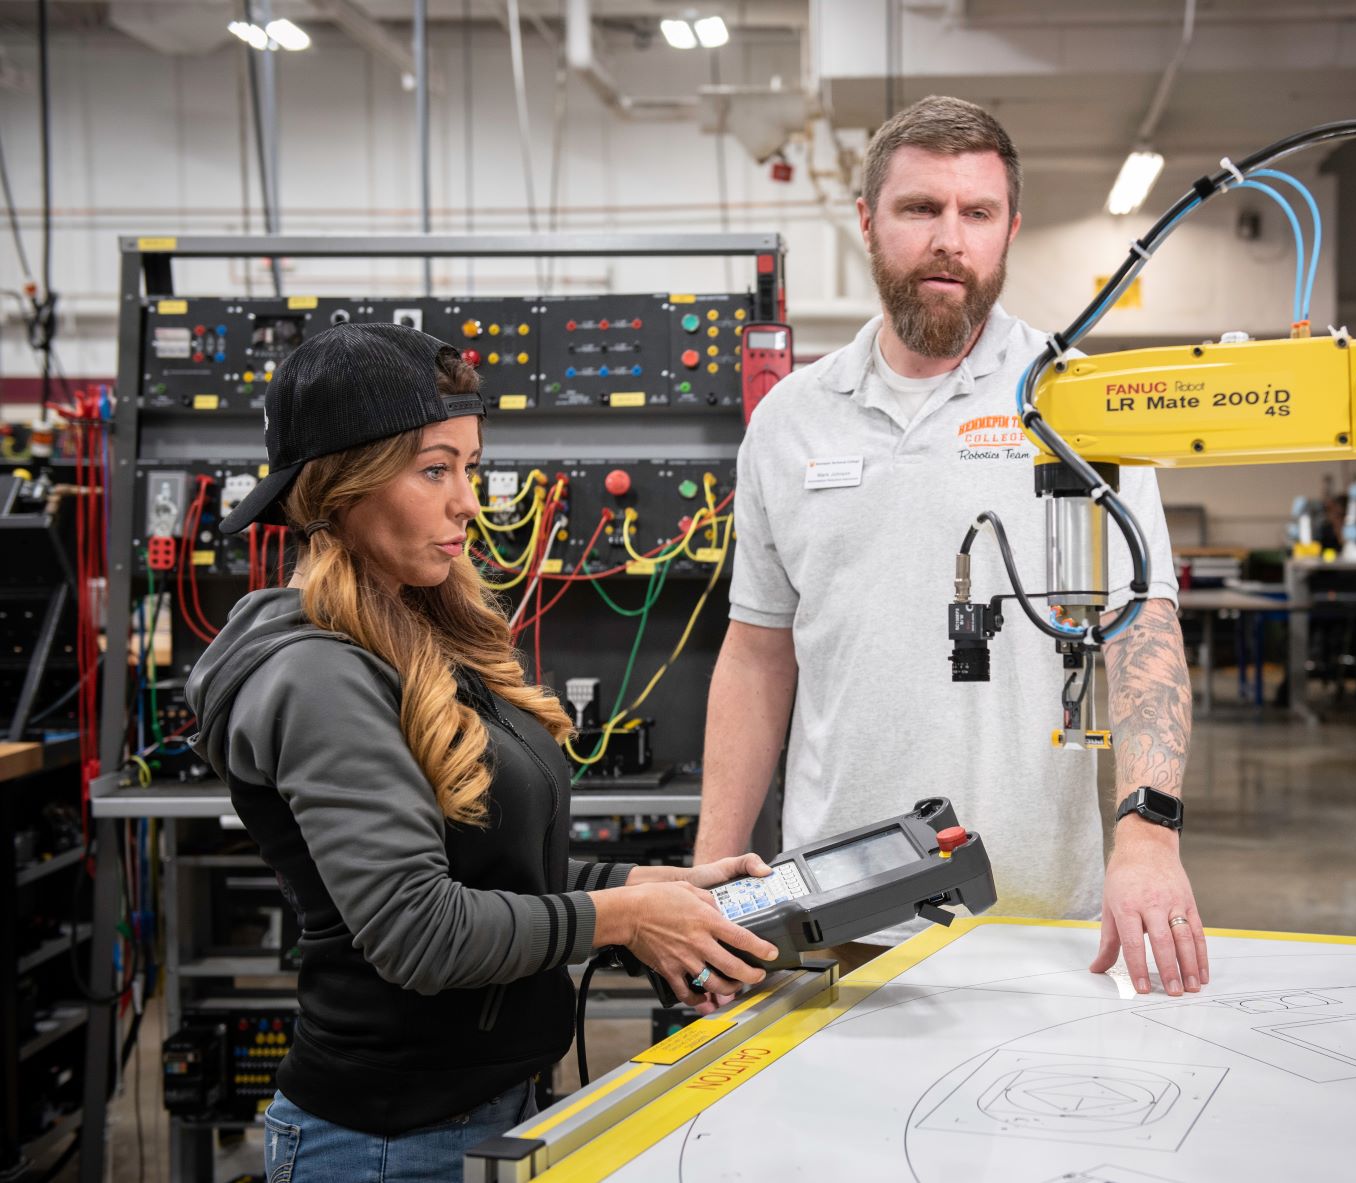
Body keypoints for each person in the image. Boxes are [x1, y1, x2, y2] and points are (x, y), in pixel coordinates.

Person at [188, 323, 778, 1179]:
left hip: (488, 1112)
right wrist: (622, 920)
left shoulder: (418, 628)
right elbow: (420, 930)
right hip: (384, 1143)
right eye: (436, 470)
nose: (469, 500)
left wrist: (650, 890)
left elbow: (487, 872)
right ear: (341, 487)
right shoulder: (317, 674)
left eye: (469, 465)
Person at [693, 96, 1209, 998]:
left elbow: (1142, 628)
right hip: (835, 918)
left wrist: (1148, 829)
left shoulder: (1076, 406)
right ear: (867, 221)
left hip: (1044, 917)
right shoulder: (790, 420)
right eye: (920, 209)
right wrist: (712, 879)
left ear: (1010, 228)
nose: (949, 239)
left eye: (976, 214)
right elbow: (757, 652)